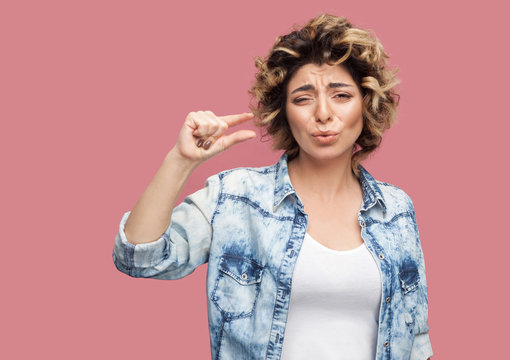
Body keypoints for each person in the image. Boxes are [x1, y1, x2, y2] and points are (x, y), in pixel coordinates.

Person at [113, 13, 433, 360]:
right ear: (284, 112)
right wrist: (180, 160)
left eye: (341, 95)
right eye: (303, 98)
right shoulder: (235, 197)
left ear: (366, 104)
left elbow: (415, 342)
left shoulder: (396, 209)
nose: (323, 114)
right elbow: (137, 258)